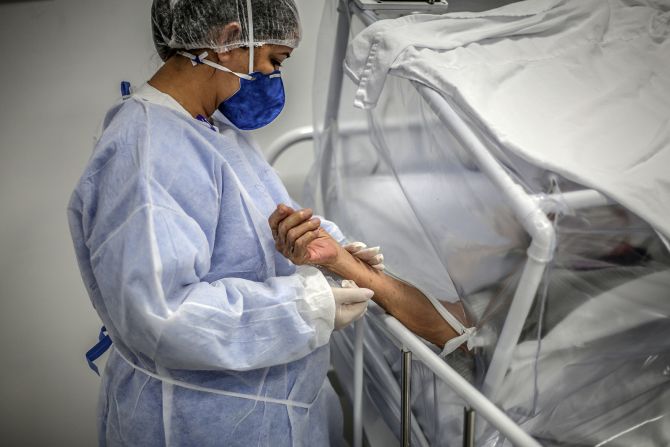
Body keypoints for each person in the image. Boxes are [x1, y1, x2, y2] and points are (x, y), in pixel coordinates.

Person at [68, 0, 467, 445]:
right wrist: (307, 306)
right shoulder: (147, 148)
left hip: (265, 411)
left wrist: (325, 253)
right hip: (197, 424)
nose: (275, 77)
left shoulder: (212, 132)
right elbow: (161, 315)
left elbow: (259, 230)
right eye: (275, 60)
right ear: (225, 40)